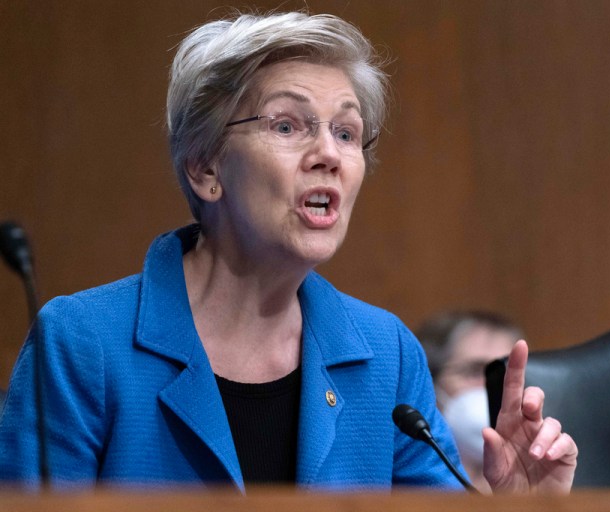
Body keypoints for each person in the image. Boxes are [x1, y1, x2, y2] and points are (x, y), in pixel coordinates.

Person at [0, 11, 577, 492]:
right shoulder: (82, 343)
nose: (329, 153)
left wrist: (517, 509)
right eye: (287, 126)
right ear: (206, 168)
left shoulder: (386, 354)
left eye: (347, 133)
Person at [417, 310, 523, 493]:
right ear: (429, 381)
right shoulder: (398, 488)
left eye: (506, 375)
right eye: (474, 372)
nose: (493, 387)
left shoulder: (548, 478)